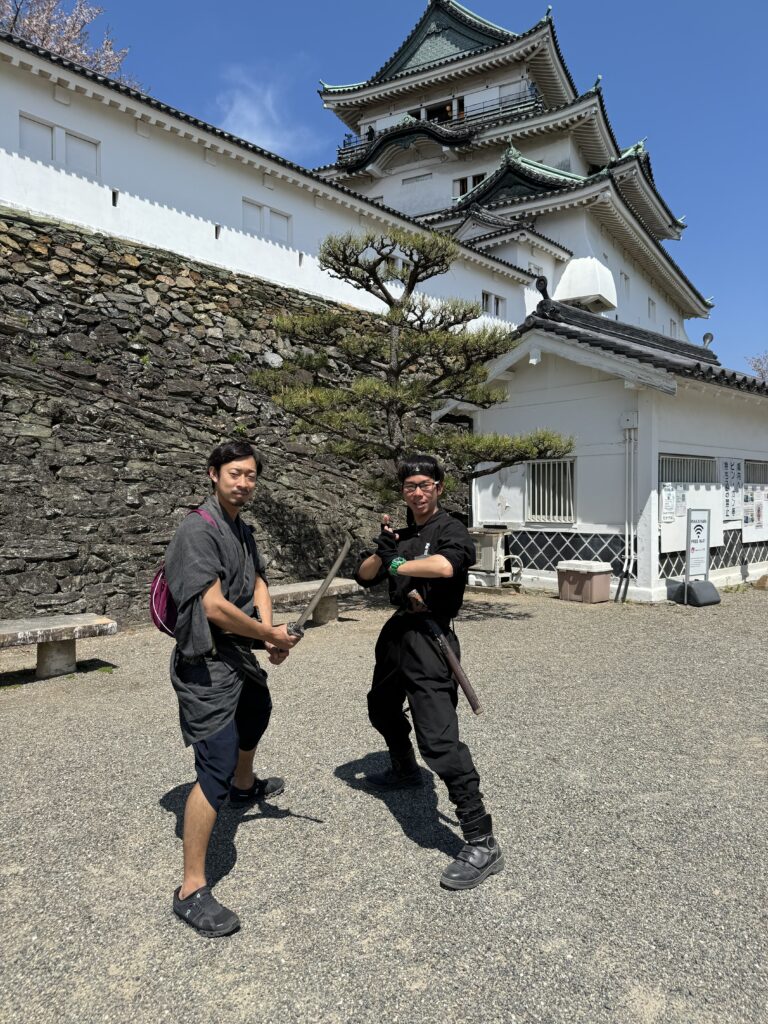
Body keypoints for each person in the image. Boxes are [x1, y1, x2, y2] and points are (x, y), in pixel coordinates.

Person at [164, 440, 300, 937]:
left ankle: (246, 786)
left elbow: (259, 582)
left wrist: (268, 635)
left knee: (258, 710)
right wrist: (269, 635)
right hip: (205, 664)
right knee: (213, 767)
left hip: (238, 657)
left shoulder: (241, 527)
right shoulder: (197, 532)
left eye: (250, 476)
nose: (244, 483)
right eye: (235, 474)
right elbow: (215, 608)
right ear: (212, 473)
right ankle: (190, 889)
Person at [355, 454, 504, 890]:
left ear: (438, 486)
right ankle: (404, 769)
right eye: (408, 487)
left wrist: (398, 564)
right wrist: (381, 552)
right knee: (381, 708)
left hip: (431, 636)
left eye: (424, 485)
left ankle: (481, 838)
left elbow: (445, 566)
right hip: (397, 631)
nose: (416, 492)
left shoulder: (450, 529)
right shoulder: (400, 534)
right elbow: (364, 575)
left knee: (439, 740)